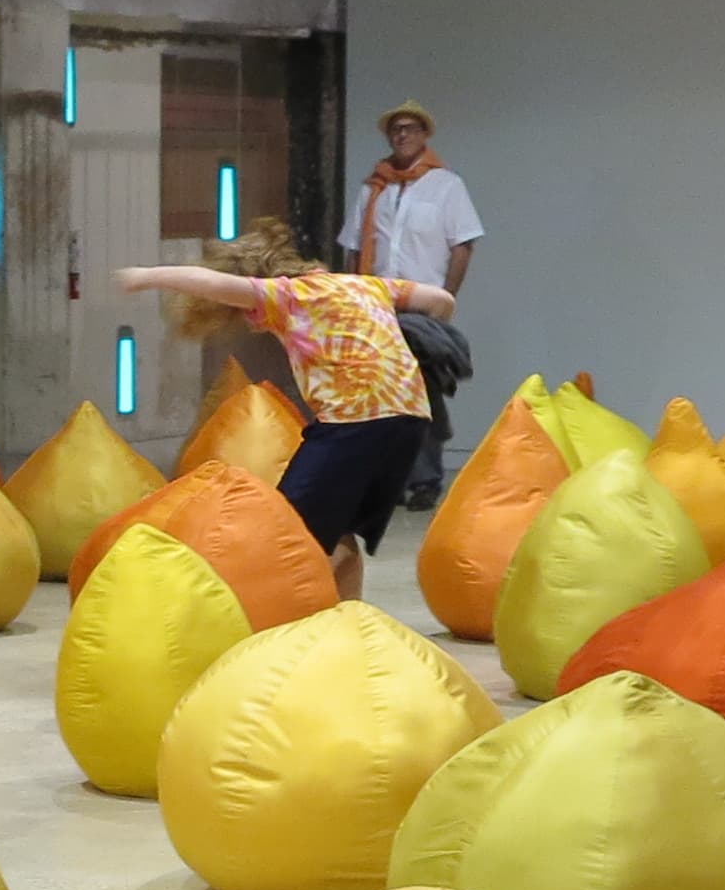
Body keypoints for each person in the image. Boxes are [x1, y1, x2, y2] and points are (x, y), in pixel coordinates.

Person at [121, 220, 448, 602]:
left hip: (354, 420)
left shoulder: (289, 294)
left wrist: (145, 276)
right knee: (338, 530)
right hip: (410, 417)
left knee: (290, 528)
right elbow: (441, 299)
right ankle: (347, 617)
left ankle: (289, 617)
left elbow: (211, 283)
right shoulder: (366, 285)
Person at [343, 103, 479, 298]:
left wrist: (447, 297)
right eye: (396, 129)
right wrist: (353, 298)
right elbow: (354, 247)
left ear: (424, 135)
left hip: (424, 298)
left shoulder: (447, 185)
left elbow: (462, 245)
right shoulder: (373, 187)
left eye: (411, 128)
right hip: (377, 299)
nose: (403, 135)